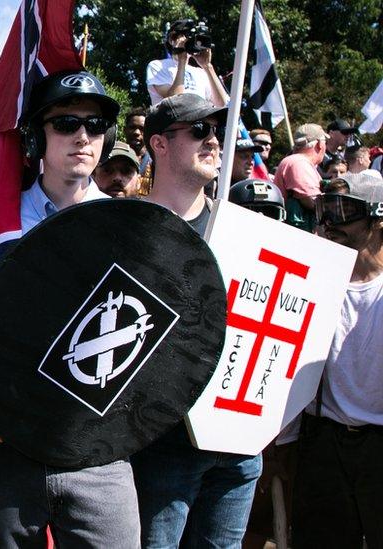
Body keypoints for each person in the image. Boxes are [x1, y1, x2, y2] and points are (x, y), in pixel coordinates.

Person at [0, 69, 140, 549]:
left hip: (98, 449)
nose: (82, 135)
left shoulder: (134, 229)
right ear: (38, 136)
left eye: (95, 125)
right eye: (65, 123)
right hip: (7, 448)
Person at [134, 93, 262, 547]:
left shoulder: (243, 230)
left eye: (217, 131)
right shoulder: (128, 231)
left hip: (239, 444)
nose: (213, 142)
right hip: (163, 442)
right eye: (198, 130)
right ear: (160, 145)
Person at [292, 173, 383, 549]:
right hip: (323, 439)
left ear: (377, 219)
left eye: (344, 211)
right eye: (325, 209)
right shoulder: (312, 281)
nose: (330, 222)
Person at [146, 19, 228, 108]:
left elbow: (221, 104)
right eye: (186, 36)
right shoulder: (157, 66)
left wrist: (207, 66)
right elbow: (174, 102)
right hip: (175, 121)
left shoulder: (201, 73)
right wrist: (182, 61)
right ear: (172, 40)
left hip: (199, 120)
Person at [274, 124, 328, 232]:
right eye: (325, 142)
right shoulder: (299, 163)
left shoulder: (297, 161)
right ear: (319, 144)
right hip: (295, 236)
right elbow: (310, 201)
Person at [124, 106, 151, 173]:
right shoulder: (114, 158)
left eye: (142, 129)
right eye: (132, 127)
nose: (136, 132)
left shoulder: (155, 162)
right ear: (124, 130)